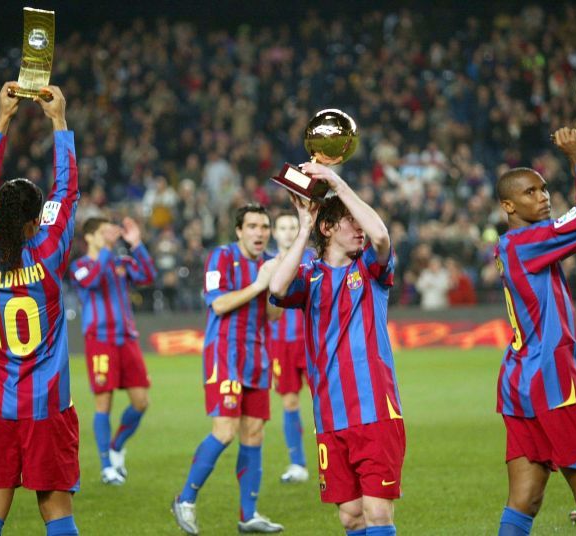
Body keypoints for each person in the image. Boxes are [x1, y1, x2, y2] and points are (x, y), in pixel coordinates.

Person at [0, 83, 80, 536]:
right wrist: (58, 121)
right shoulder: (47, 251)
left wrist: (2, 120)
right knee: (57, 515)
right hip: (47, 407)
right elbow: (66, 192)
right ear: (35, 221)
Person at [270, 162, 405, 536]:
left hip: (375, 409)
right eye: (349, 222)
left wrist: (339, 184)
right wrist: (303, 229)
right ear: (327, 228)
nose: (358, 227)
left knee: (377, 512)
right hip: (330, 413)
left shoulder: (372, 270)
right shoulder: (309, 277)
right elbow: (278, 288)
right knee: (350, 516)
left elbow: (381, 236)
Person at [493, 128, 576, 536]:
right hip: (556, 380)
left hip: (519, 381)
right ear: (508, 204)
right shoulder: (529, 241)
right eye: (530, 192)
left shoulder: (515, 244)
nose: (543, 197)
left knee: (525, 498)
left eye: (544, 190)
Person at [172, 203, 284, 535]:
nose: (260, 233)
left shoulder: (270, 264)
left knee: (254, 433)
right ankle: (185, 500)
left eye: (265, 227)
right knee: (225, 430)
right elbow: (218, 304)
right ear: (239, 231)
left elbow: (275, 316)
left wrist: (274, 285)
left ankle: (248, 515)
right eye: (253, 226)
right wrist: (259, 284)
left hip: (258, 355)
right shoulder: (221, 257)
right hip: (225, 354)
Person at [69, 216, 157, 485]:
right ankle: (107, 466)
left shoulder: (120, 262)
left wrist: (137, 244)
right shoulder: (80, 267)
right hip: (100, 341)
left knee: (141, 401)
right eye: (104, 232)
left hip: (126, 338)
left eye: (112, 232)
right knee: (103, 404)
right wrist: (107, 249)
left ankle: (117, 445)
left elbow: (148, 276)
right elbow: (93, 281)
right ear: (90, 238)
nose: (110, 236)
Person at [266, 212, 315, 483]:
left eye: (292, 227)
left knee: (323, 400)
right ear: (274, 232)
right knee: (290, 401)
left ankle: (333, 456)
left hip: (310, 341)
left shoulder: (312, 260)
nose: (287, 232)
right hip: (280, 344)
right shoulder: (268, 263)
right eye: (282, 227)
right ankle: (297, 464)